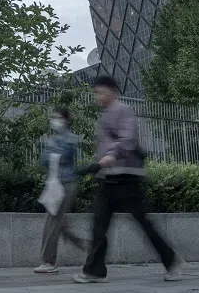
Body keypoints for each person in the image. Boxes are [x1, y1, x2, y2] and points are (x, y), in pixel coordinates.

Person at [73, 75, 183, 285]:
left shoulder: (124, 110)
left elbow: (128, 139)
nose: (98, 97)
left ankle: (171, 260)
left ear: (112, 91)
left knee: (143, 223)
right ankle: (95, 271)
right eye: (96, 93)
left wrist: (112, 155)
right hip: (107, 178)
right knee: (98, 226)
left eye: (101, 92)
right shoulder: (105, 115)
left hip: (127, 177)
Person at [35, 107, 88, 274]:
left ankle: (49, 262)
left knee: (52, 223)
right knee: (59, 224)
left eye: (57, 117)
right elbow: (44, 159)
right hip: (54, 185)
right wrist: (52, 150)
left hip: (65, 185)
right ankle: (89, 246)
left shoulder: (70, 138)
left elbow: (65, 155)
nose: (54, 120)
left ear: (66, 119)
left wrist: (52, 149)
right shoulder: (56, 139)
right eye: (53, 117)